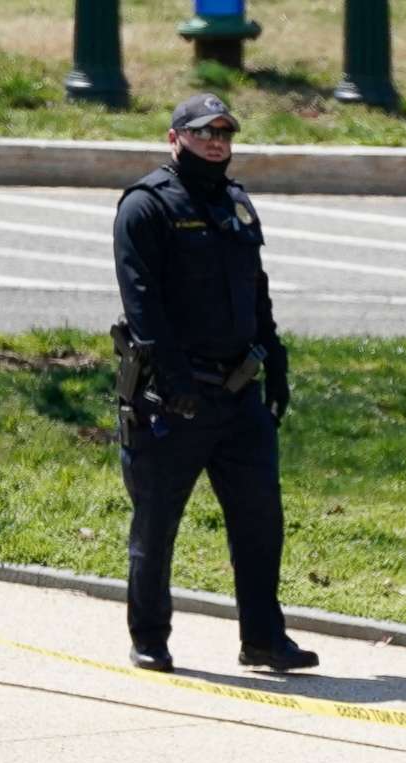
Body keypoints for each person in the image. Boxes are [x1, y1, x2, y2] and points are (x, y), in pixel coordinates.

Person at [111, 92, 314, 676]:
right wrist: (174, 383)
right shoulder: (145, 208)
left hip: (239, 396)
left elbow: (256, 290)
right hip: (174, 399)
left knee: (260, 521)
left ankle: (264, 639)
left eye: (224, 134)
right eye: (203, 134)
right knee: (156, 523)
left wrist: (274, 360)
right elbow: (143, 305)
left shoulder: (236, 203)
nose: (216, 143)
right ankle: (150, 637)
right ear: (174, 138)